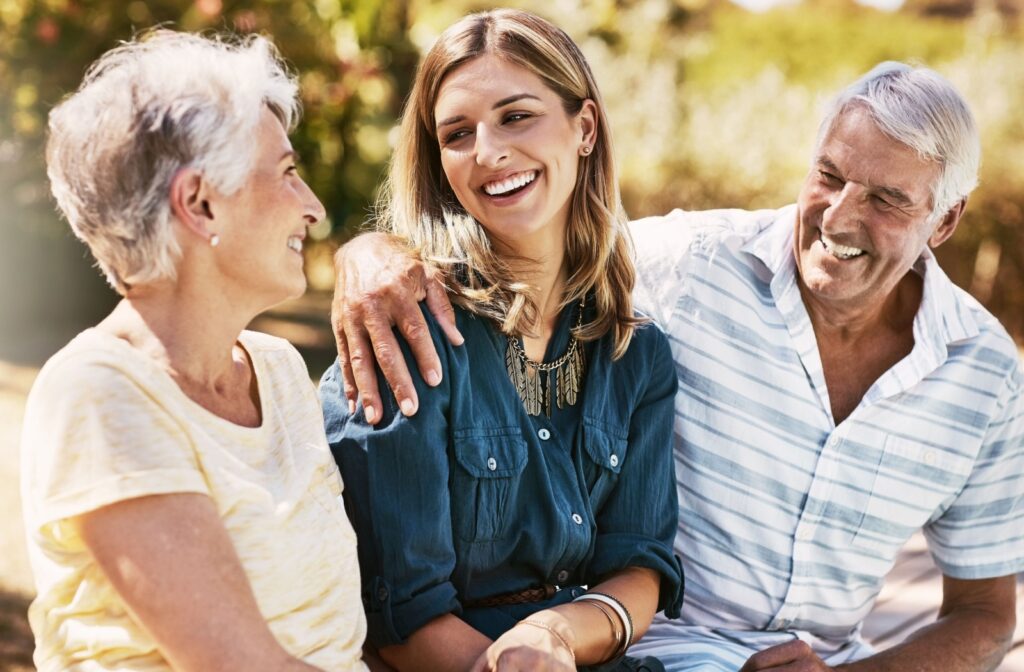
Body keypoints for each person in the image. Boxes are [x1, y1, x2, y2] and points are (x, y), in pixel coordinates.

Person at [330, 61, 1023, 671]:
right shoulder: (689, 265)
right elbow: (533, 241)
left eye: (885, 199)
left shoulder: (984, 376)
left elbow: (987, 611)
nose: (839, 217)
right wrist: (368, 254)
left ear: (944, 221)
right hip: (655, 644)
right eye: (829, 176)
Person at [318, 9, 683, 672]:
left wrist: (559, 635)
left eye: (517, 116)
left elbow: (640, 563)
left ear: (586, 128)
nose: (487, 152)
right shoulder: (407, 329)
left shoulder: (637, 355)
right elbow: (403, 619)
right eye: (457, 134)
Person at [20, 31, 369, 672]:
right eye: (289, 174)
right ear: (201, 204)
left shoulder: (279, 370)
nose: (313, 207)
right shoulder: (98, 393)